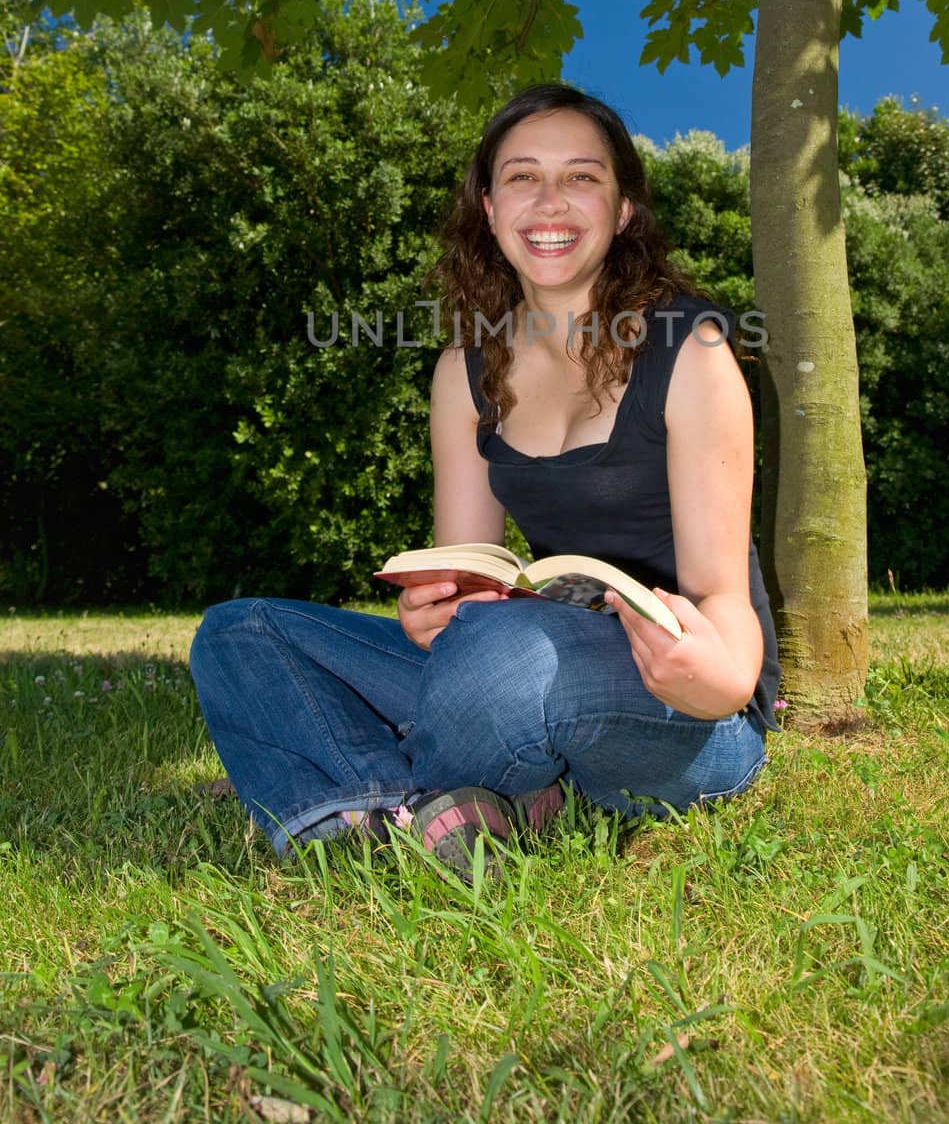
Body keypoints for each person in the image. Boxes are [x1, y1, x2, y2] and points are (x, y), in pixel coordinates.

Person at [189, 83, 780, 870]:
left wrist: (714, 683)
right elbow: (469, 584)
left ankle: (385, 791)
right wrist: (434, 617)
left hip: (674, 705)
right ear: (489, 208)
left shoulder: (688, 351)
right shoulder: (463, 372)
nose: (550, 201)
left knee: (503, 656)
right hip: (515, 660)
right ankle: (402, 815)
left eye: (581, 176)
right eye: (521, 176)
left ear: (622, 210)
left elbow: (726, 612)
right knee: (241, 633)